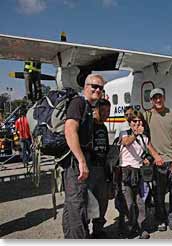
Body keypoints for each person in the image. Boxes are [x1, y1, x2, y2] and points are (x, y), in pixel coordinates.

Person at [62, 74, 105, 239]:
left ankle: (71, 238)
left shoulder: (87, 106)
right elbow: (70, 130)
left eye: (100, 87)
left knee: (72, 204)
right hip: (75, 161)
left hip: (77, 159)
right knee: (78, 203)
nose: (97, 90)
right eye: (94, 86)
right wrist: (81, 160)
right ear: (85, 86)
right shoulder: (79, 103)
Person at [144, 88, 172, 236]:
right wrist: (155, 156)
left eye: (160, 97)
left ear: (164, 98)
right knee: (158, 194)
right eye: (155, 98)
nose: (158, 100)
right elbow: (144, 138)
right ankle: (161, 219)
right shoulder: (147, 116)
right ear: (151, 100)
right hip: (158, 162)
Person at [118, 110, 151, 239]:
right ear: (129, 123)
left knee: (140, 201)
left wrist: (149, 159)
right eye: (134, 121)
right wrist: (136, 134)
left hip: (138, 172)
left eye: (139, 121)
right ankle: (129, 227)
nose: (137, 123)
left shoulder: (144, 137)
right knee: (128, 202)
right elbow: (126, 142)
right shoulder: (124, 133)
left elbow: (149, 150)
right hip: (126, 172)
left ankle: (141, 227)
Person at [88, 99, 111, 238]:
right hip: (91, 169)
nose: (106, 114)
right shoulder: (89, 125)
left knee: (102, 201)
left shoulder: (103, 127)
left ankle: (98, 230)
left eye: (108, 111)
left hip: (102, 169)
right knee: (89, 201)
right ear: (95, 110)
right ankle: (85, 229)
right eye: (103, 111)